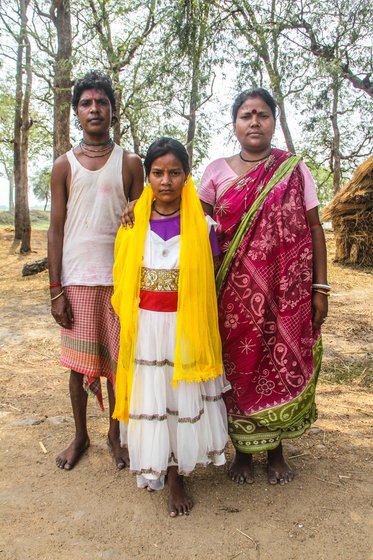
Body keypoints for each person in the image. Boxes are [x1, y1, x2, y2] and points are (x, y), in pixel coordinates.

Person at [199, 88, 329, 486]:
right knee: (237, 365)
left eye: (262, 114)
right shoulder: (215, 172)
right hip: (229, 294)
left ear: (273, 121)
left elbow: (313, 228)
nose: (254, 121)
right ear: (234, 124)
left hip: (285, 294)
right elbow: (192, 224)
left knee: (279, 360)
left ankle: (276, 450)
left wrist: (320, 288)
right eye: (245, 115)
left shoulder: (293, 170)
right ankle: (242, 451)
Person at [112, 137, 229, 516]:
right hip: (147, 326)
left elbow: (208, 283)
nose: (166, 181)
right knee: (154, 397)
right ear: (147, 177)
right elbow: (123, 275)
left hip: (184, 327)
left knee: (180, 399)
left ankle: (178, 474)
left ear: (187, 176)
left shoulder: (203, 226)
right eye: (158, 173)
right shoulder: (133, 220)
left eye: (174, 173)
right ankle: (154, 464)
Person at [48, 70, 144, 471]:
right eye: (86, 103)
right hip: (77, 281)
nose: (94, 109)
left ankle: (115, 436)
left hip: (120, 280)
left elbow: (146, 220)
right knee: (78, 365)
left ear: (113, 111)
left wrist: (136, 209)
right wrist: (56, 290)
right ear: (76, 113)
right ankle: (80, 435)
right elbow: (55, 228)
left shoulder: (131, 163)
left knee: (119, 366)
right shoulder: (63, 165)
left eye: (101, 102)